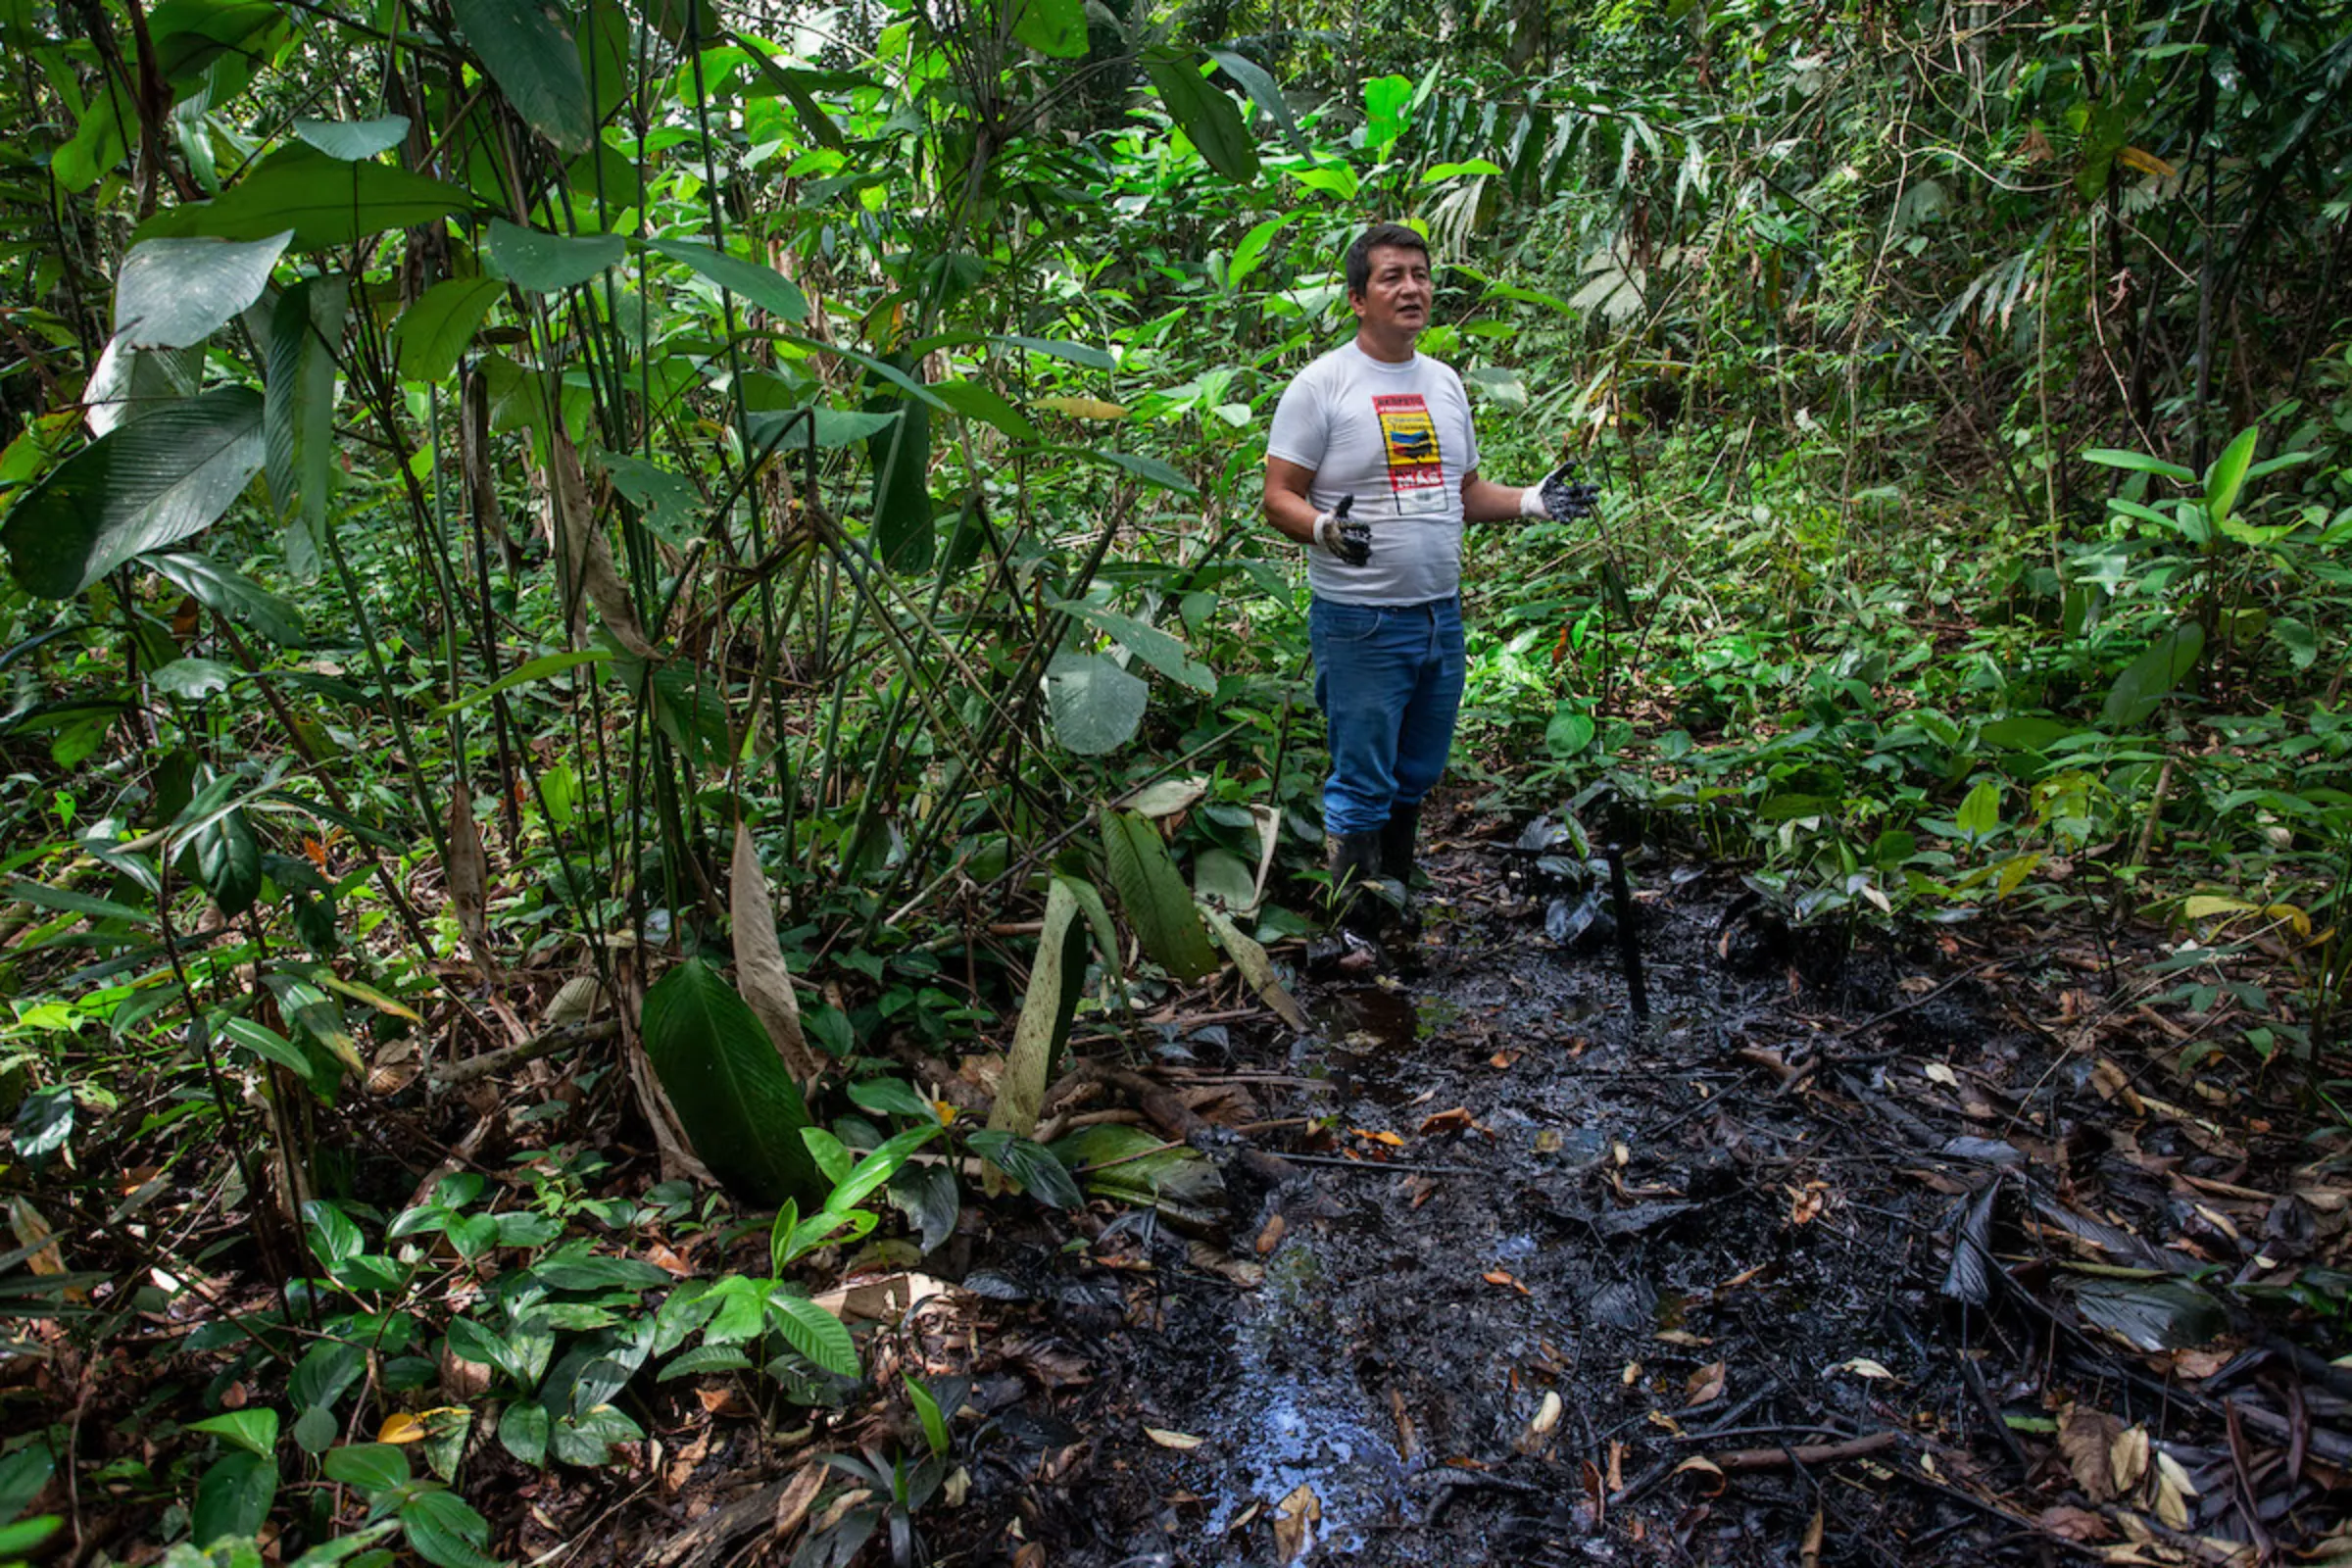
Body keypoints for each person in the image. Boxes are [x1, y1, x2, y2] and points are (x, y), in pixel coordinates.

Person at [1262, 220, 1594, 961]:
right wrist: (1322, 529)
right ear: (1357, 297)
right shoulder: (1323, 385)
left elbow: (1463, 492)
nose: (1411, 287)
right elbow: (1278, 495)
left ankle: (1396, 901)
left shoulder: (1442, 383)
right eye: (1391, 276)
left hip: (1439, 620)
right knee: (1362, 777)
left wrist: (1534, 501)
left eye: (1419, 273)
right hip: (1360, 622)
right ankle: (1351, 930)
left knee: (1416, 773)